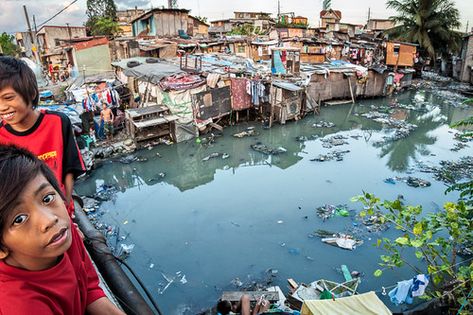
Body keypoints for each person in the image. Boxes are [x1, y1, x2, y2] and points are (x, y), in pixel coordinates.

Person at [0, 144, 125, 314]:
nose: (50, 220)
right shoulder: (21, 306)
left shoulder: (63, 236)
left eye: (47, 198)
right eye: (19, 219)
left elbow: (89, 290)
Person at [0, 56, 85, 216]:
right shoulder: (1, 137)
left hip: (59, 209)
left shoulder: (58, 122)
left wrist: (66, 208)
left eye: (8, 98)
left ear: (31, 93)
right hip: (26, 219)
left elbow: (69, 169)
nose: (2, 107)